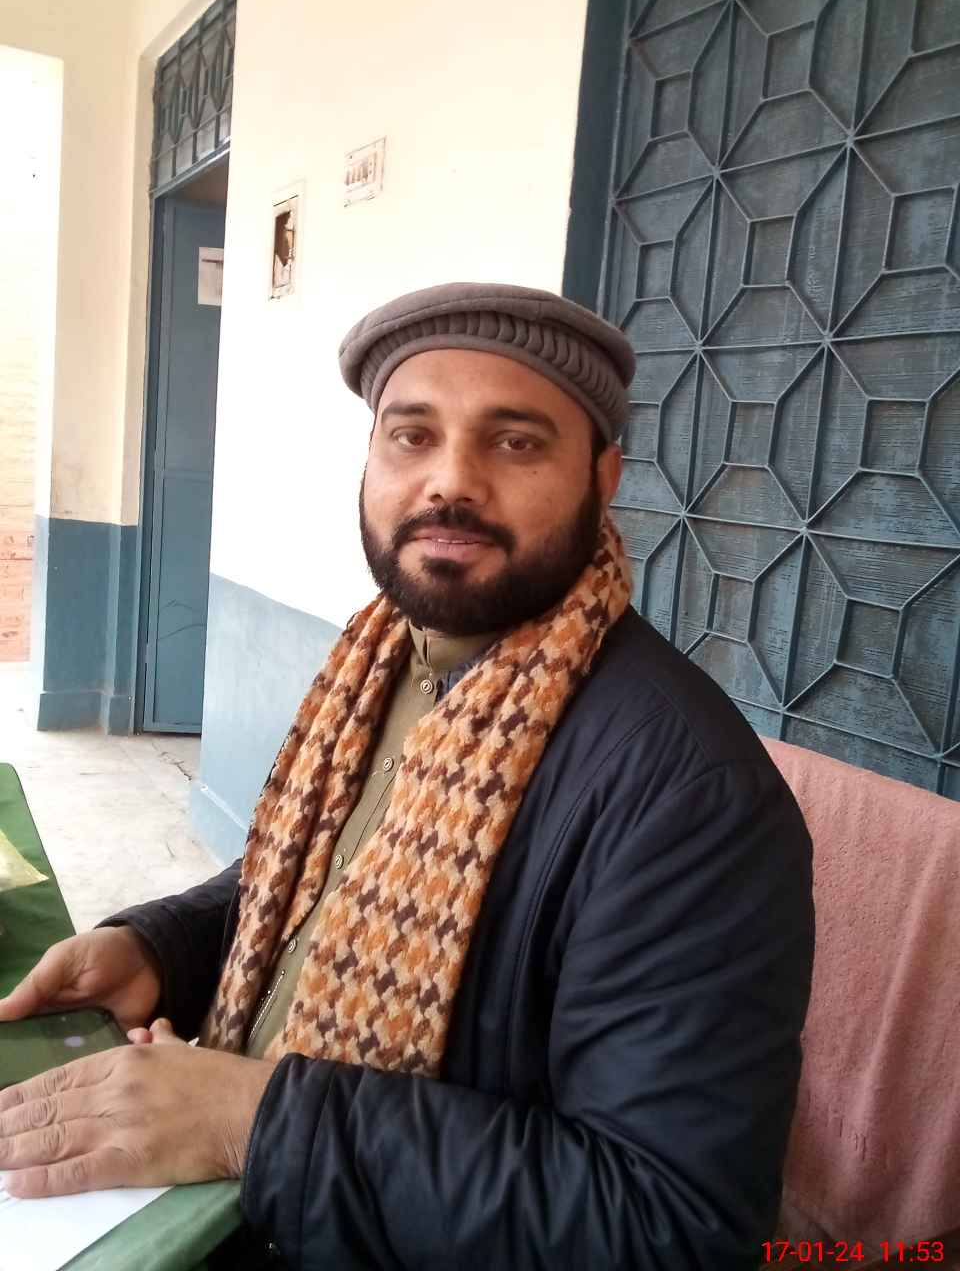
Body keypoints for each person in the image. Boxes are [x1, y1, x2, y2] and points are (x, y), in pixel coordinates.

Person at [0, 283, 814, 1270]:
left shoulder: (688, 796)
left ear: (603, 478)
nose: (451, 482)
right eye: (412, 436)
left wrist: (256, 1120)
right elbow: (327, 884)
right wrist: (163, 946)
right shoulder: (382, 659)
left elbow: (671, 1225)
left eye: (515, 442)